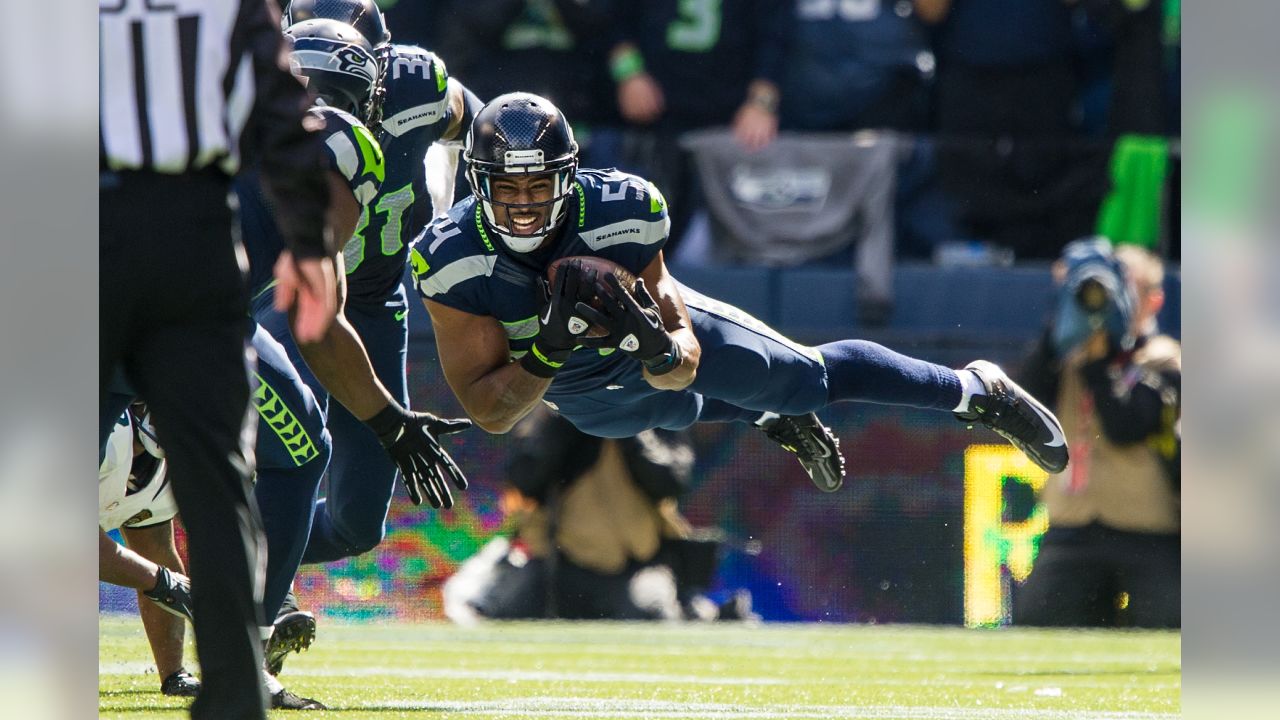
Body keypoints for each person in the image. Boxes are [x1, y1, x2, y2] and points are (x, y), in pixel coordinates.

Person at [411, 93, 1070, 498]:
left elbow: (682, 360)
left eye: (537, 185)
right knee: (631, 418)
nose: (523, 205)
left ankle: (975, 390)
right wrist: (552, 345)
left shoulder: (621, 209)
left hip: (638, 348)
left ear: (569, 176)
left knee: (802, 380)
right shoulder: (450, 258)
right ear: (477, 182)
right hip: (575, 390)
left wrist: (651, 341)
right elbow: (493, 412)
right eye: (507, 187)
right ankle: (765, 415)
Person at [100, 0, 338, 715]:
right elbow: (283, 107)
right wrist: (309, 239)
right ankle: (235, 697)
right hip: (189, 233)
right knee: (217, 485)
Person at [234, 12, 472, 682]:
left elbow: (482, 125)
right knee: (295, 446)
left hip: (356, 303)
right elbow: (310, 308)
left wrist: (474, 214)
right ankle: (253, 604)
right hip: (268, 304)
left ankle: (228, 564)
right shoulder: (282, 120)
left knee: (356, 522)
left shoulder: (416, 86)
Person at [1014, 240, 1180, 628]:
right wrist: (1060, 317)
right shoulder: (1068, 355)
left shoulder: (1165, 358)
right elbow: (1023, 402)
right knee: (1036, 620)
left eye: (1126, 289)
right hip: (1073, 525)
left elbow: (1127, 425)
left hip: (1148, 527)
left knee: (1169, 625)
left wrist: (1102, 360)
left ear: (1153, 301)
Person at [445, 408, 736, 621]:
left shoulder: (656, 406)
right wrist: (570, 417)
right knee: (496, 612)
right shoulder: (557, 409)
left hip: (636, 569)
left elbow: (673, 480)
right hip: (556, 567)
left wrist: (625, 421)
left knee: (652, 614)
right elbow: (524, 478)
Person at [98, 407, 198, 698]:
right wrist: (163, 582)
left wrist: (173, 674)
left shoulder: (167, 471)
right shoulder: (108, 434)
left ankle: (174, 673)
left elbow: (157, 553)